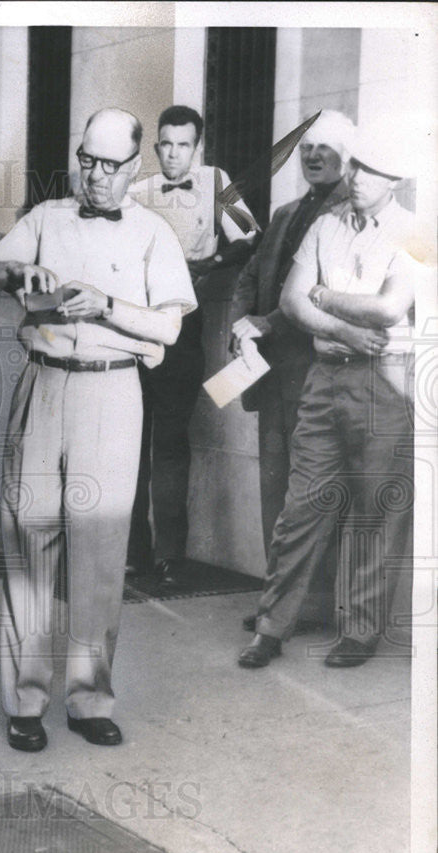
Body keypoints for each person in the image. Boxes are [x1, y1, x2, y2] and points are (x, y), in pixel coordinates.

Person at [0, 108, 196, 752]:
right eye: (87, 162)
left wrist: (107, 306)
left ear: (134, 167)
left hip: (113, 389)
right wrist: (19, 274)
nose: (96, 177)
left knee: (98, 550)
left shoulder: (154, 233)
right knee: (27, 534)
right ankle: (25, 702)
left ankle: (91, 698)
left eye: (110, 166)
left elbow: (169, 328)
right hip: (42, 384)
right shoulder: (46, 219)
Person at [238, 127, 417, 670]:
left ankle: (359, 632)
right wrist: (340, 322)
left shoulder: (420, 231)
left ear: (398, 180)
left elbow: (390, 310)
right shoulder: (324, 224)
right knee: (301, 508)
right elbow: (291, 303)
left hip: (383, 385)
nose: (357, 178)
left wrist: (324, 294)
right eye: (356, 166)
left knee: (372, 513)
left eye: (372, 170)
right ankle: (272, 627)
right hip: (325, 377)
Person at [230, 110, 355, 633]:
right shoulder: (282, 214)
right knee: (275, 488)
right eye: (306, 147)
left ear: (347, 156)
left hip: (315, 376)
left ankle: (318, 606)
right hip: (269, 375)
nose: (312, 155)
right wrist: (240, 321)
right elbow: (251, 274)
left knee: (315, 495)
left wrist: (266, 322)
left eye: (325, 148)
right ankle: (276, 601)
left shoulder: (350, 215)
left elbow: (312, 290)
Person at [128, 105, 258, 586]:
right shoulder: (137, 191)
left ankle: (169, 556)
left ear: (197, 148)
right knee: (131, 443)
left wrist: (209, 263)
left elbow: (249, 235)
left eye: (184, 145)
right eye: (166, 144)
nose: (174, 154)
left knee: (170, 443)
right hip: (134, 327)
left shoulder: (216, 181)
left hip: (184, 329)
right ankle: (134, 552)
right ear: (155, 145)